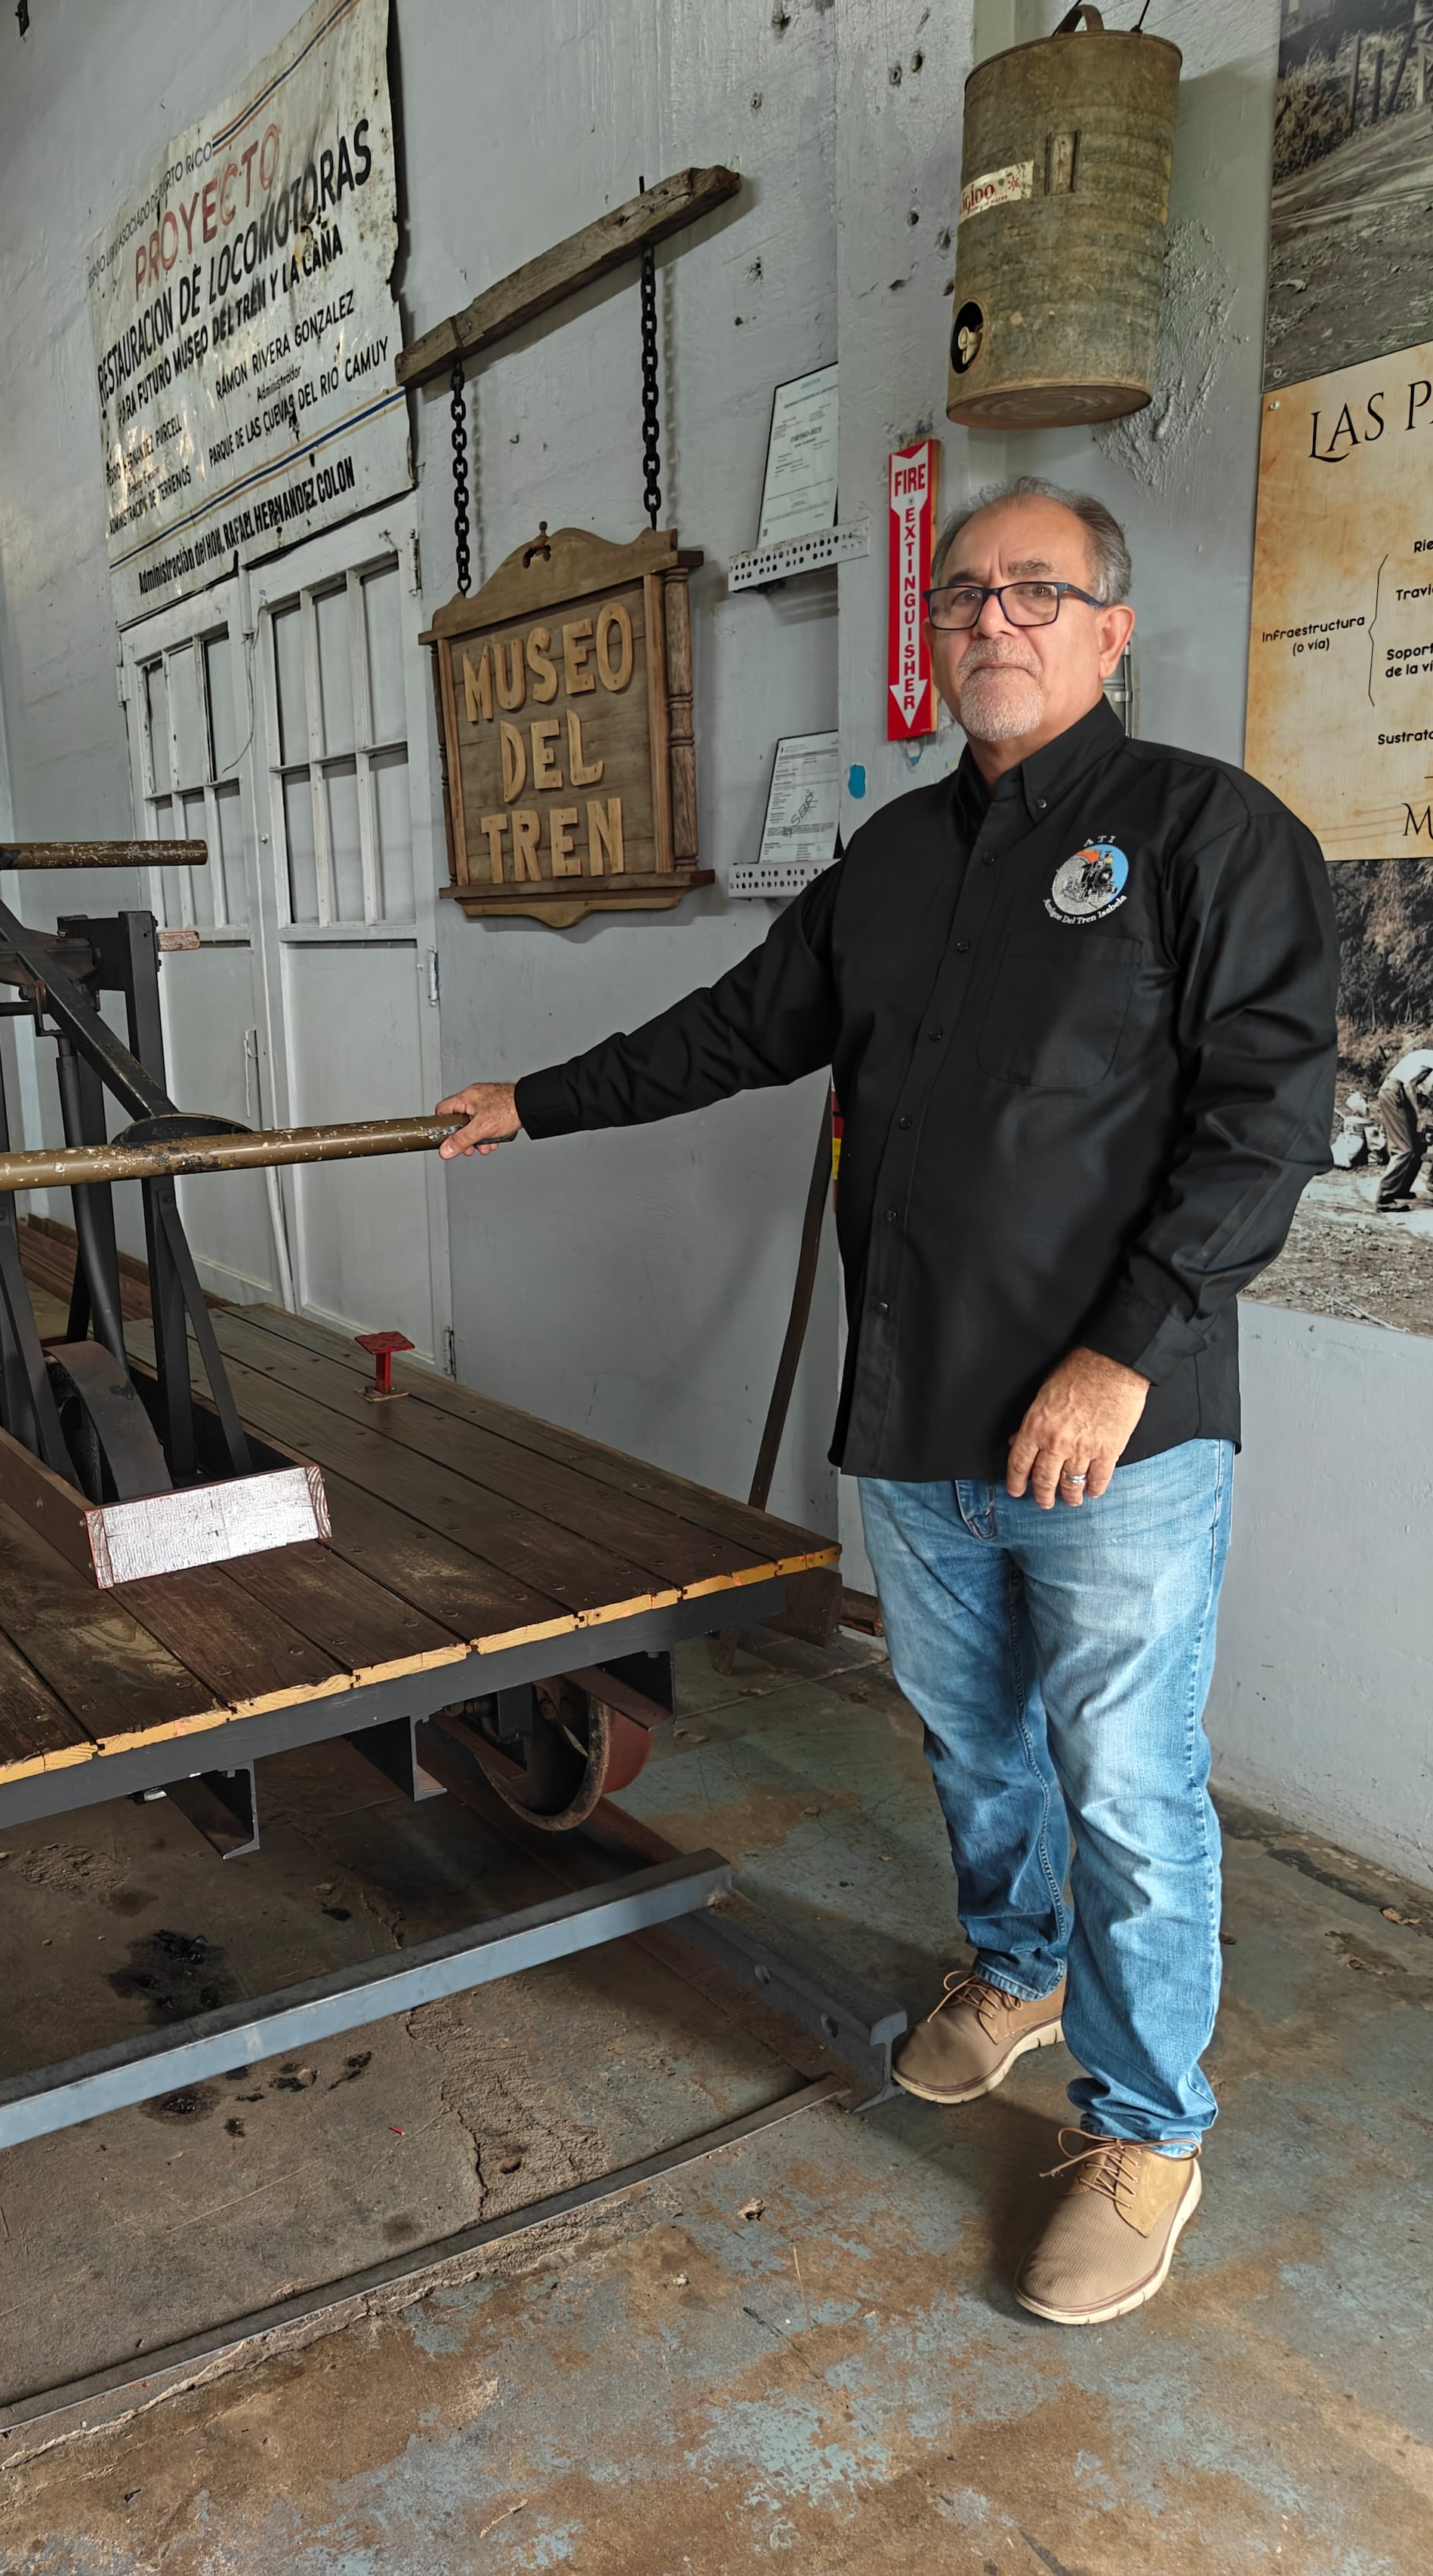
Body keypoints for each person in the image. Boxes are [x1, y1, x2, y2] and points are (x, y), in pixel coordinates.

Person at [435, 476, 1338, 2327]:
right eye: (962, 593)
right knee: (970, 1736)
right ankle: (1014, 1969)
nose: (990, 617)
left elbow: (1266, 1120)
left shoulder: (1204, 833)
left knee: (1123, 1780)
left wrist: (1118, 1351)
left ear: (1108, 628)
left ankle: (1145, 2128)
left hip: (1116, 1423)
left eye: (1034, 589)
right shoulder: (892, 861)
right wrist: (530, 1099)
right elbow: (729, 1027)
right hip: (920, 1409)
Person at [1373, 1042, 1433, 1211]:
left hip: (1395, 1092)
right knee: (1404, 1149)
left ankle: (1400, 1190)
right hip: (1395, 1093)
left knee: (1418, 1145)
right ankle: (1384, 1198)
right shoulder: (1431, 1059)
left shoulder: (1426, 1057)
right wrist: (1417, 1116)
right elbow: (1409, 1085)